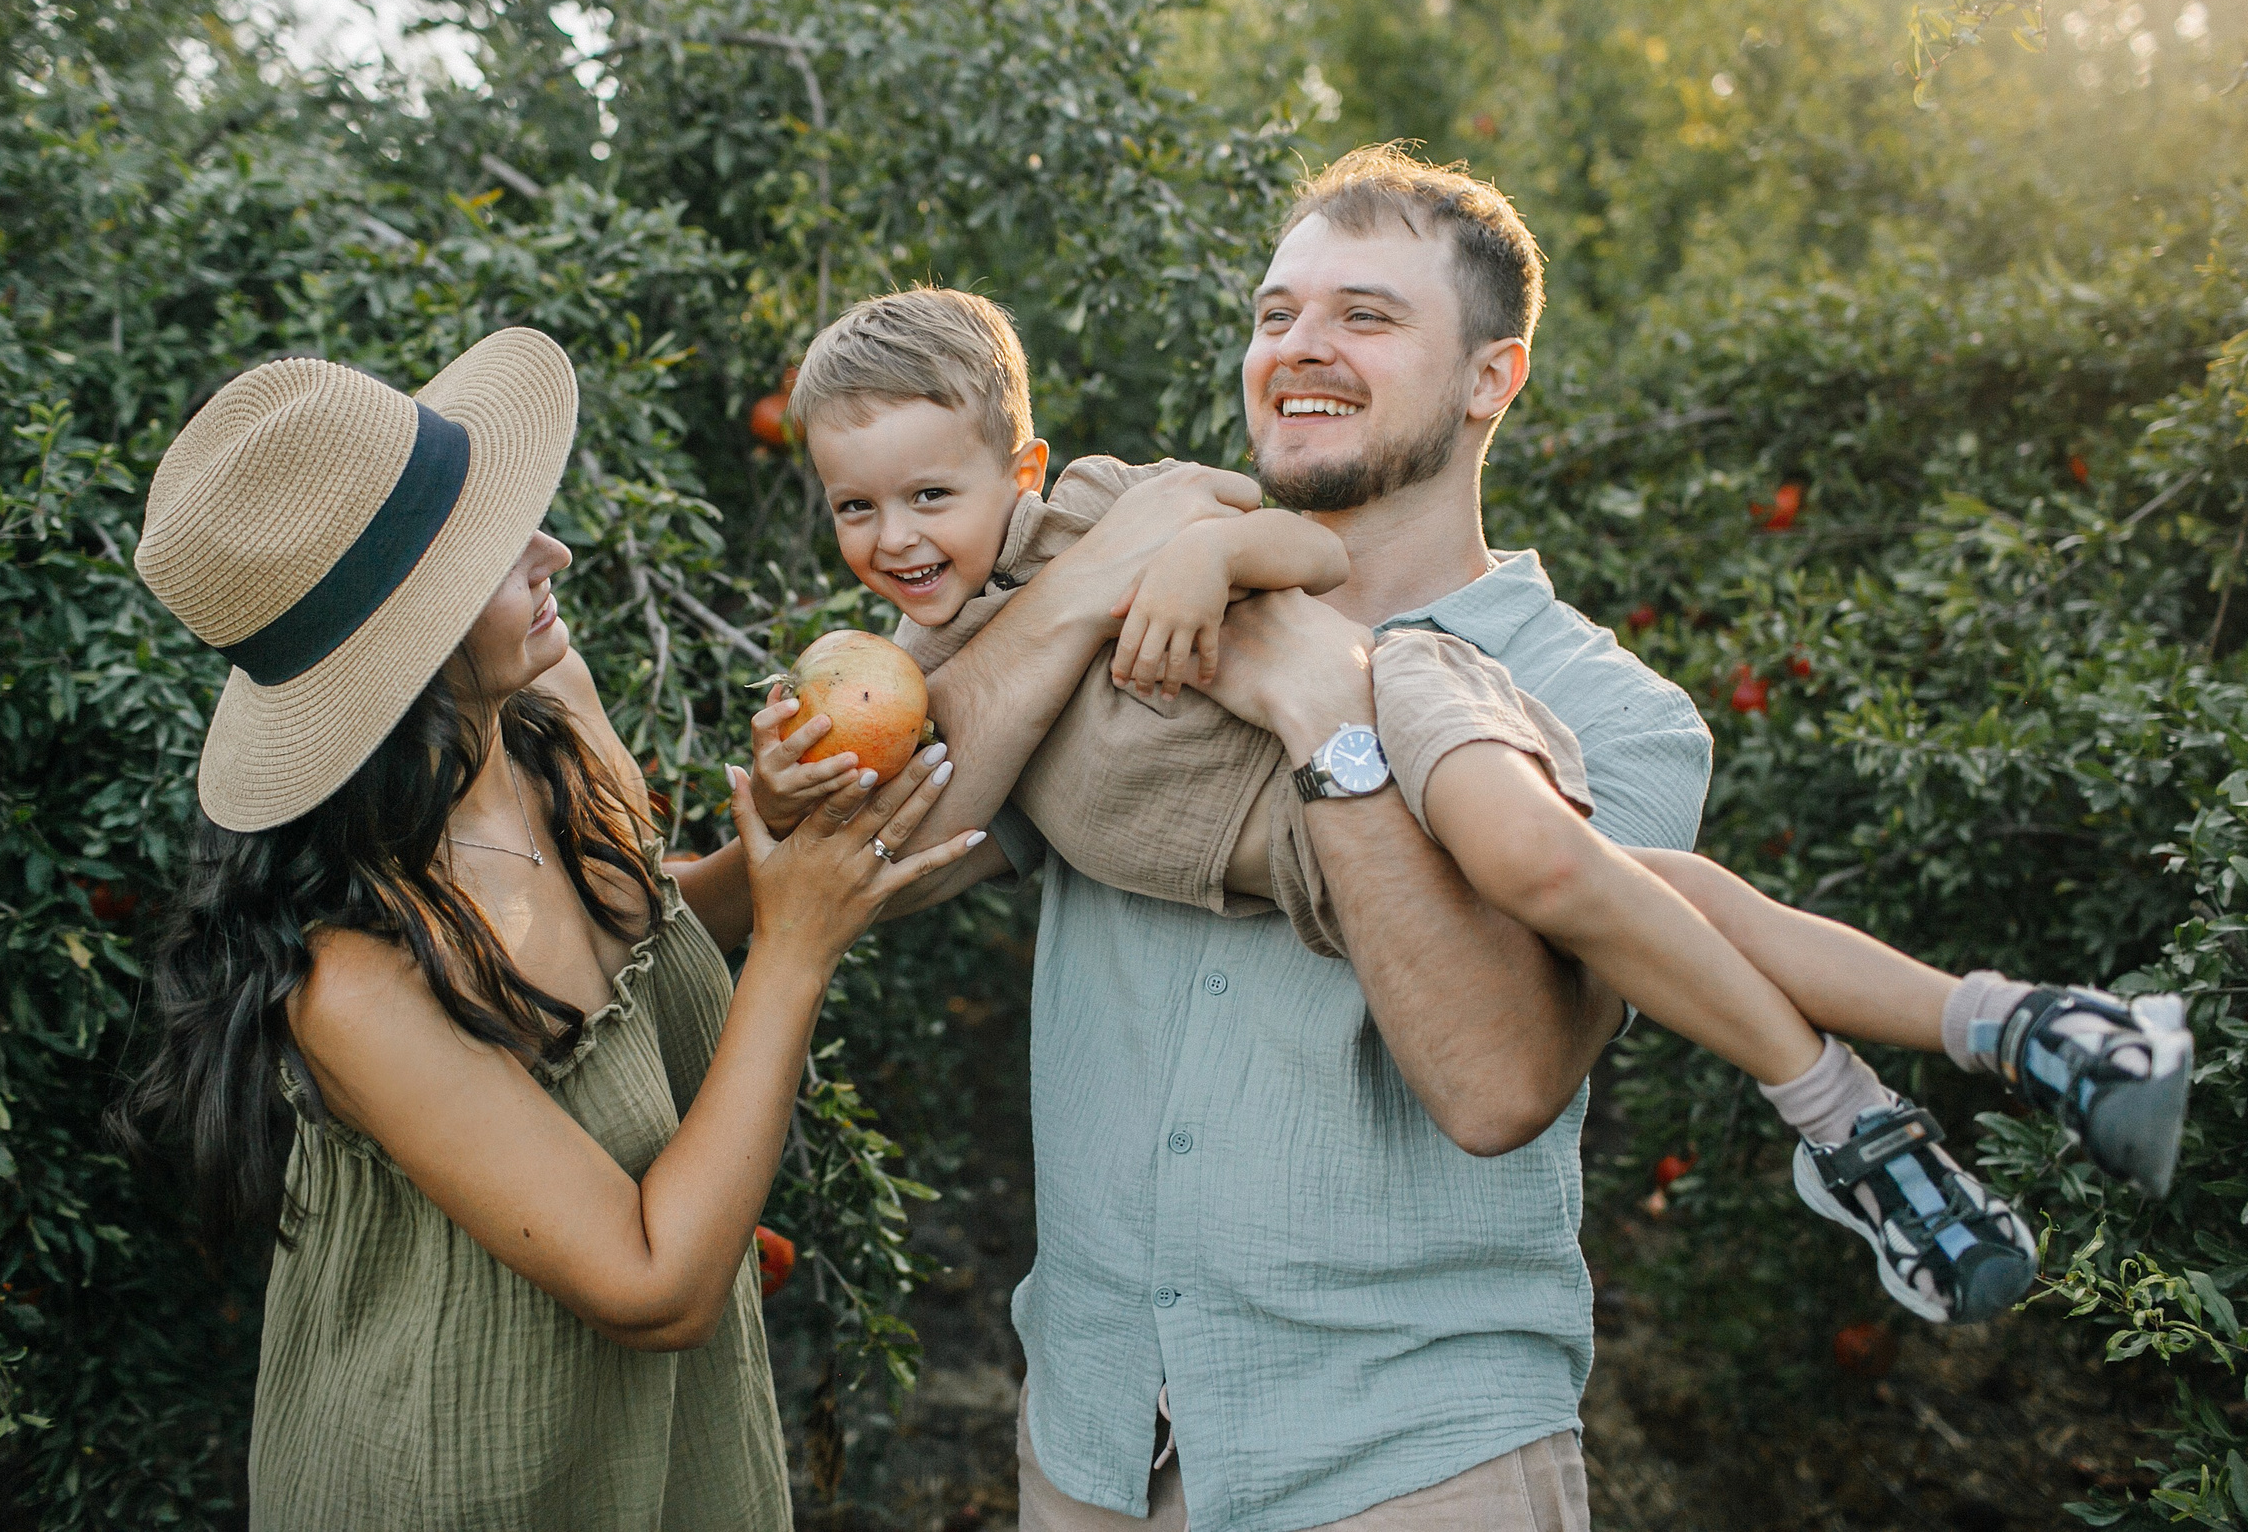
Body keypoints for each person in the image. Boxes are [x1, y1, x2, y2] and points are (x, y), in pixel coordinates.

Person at [736, 147, 2167, 1530]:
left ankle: (1864, 1094)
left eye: (1367, 313)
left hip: (1409, 1457)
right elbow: (873, 836)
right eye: (1276, 310)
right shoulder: (1053, 613)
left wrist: (1295, 679)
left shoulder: (1612, 708)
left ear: (1494, 376)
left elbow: (1501, 1073)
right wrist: (1078, 604)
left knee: (1582, 867)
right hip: (1102, 1444)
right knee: (1639, 880)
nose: (1301, 342)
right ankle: (1991, 1031)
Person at [114, 329, 986, 1531]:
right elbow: (651, 1284)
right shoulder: (350, 981)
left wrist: (767, 852)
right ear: (396, 645)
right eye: (488, 550)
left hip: (653, 1435)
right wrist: (796, 947)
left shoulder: (540, 712)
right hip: (467, 1468)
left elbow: (640, 924)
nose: (553, 551)